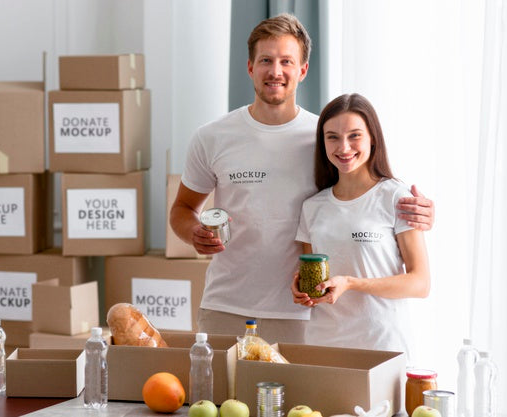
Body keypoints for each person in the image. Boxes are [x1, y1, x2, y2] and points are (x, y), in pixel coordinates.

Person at [170, 13, 434, 344]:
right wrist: (193, 232)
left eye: (286, 61)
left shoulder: (326, 139)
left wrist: (416, 213)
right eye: (265, 60)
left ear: (303, 70)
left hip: (301, 313)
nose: (275, 71)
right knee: (219, 398)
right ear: (250, 67)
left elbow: (366, 196)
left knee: (292, 399)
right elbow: (181, 209)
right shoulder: (211, 137)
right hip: (225, 306)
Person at [292, 93, 429, 360]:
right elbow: (311, 270)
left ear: (372, 138)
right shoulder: (312, 206)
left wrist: (351, 283)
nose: (343, 147)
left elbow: (420, 283)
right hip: (324, 346)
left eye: (354, 135)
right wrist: (301, 289)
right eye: (332, 137)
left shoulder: (396, 197)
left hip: (382, 347)